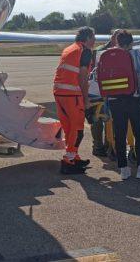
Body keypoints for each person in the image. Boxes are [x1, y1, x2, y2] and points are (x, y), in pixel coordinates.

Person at [104, 30, 140, 181]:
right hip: (134, 99)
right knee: (139, 134)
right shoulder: (138, 55)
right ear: (131, 42)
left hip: (115, 101)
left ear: (117, 42)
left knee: (119, 135)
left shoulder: (107, 55)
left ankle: (123, 169)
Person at [53, 26, 96, 174]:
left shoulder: (69, 49)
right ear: (88, 38)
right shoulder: (85, 51)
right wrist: (86, 99)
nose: (95, 41)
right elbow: (83, 77)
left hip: (59, 93)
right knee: (77, 129)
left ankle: (74, 156)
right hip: (72, 95)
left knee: (68, 127)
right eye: (93, 38)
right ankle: (69, 160)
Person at [91, 29, 122, 157]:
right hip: (99, 88)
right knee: (98, 118)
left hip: (116, 89)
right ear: (111, 36)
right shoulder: (100, 50)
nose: (117, 38)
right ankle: (98, 146)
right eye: (115, 35)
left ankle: (110, 144)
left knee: (113, 119)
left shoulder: (123, 50)